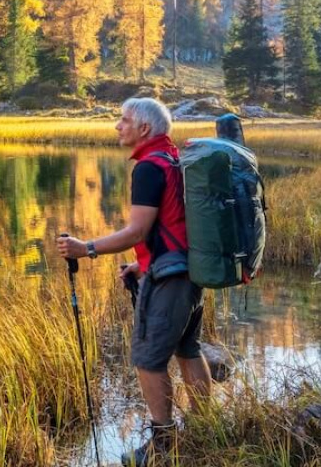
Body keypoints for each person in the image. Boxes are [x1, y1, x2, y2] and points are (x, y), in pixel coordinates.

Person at [58, 97, 210, 467]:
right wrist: (142, 265)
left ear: (144, 129)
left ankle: (163, 444)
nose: (117, 126)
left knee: (148, 360)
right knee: (188, 348)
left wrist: (86, 248)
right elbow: (172, 225)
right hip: (188, 272)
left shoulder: (148, 168)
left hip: (171, 280)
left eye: (124, 120)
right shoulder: (173, 160)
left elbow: (136, 230)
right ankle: (208, 426)